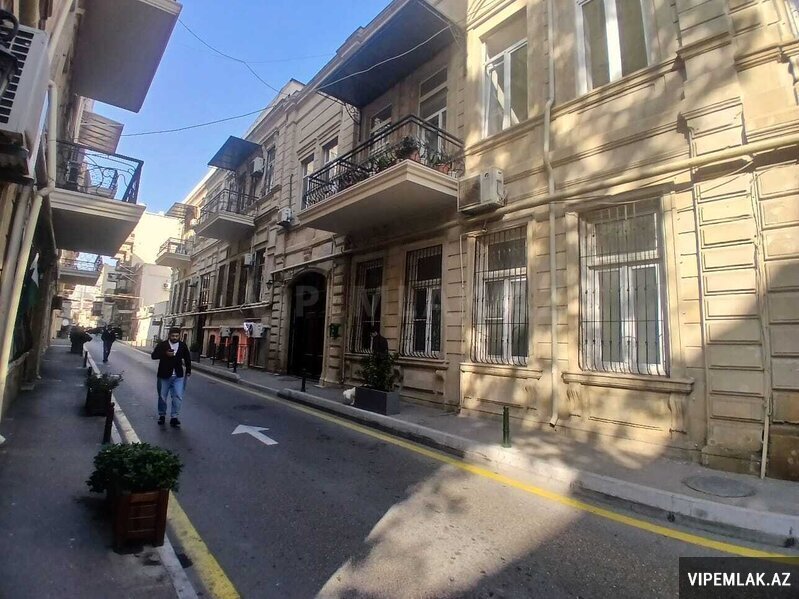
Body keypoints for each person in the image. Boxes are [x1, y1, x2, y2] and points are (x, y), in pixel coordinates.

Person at [151, 327, 191, 428]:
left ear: (179, 336)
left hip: (178, 376)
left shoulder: (182, 345)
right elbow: (153, 356)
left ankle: (174, 417)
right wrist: (165, 354)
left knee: (178, 396)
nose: (174, 338)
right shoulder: (163, 345)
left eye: (176, 336)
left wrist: (188, 371)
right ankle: (162, 415)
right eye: (173, 336)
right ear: (169, 335)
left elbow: (187, 358)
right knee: (162, 397)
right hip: (164, 376)